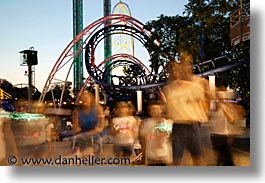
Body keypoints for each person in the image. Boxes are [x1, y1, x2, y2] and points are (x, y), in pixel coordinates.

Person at [163, 52, 211, 166]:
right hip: (178, 126)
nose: (175, 72)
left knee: (197, 158)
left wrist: (202, 115)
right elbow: (169, 110)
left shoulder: (195, 85)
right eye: (171, 70)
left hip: (193, 125)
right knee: (178, 160)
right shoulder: (168, 89)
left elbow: (206, 101)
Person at [72, 91, 105, 156]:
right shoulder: (78, 111)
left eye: (86, 98)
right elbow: (76, 128)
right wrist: (77, 129)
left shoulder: (98, 109)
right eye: (83, 98)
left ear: (91, 99)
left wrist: (92, 131)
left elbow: (101, 126)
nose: (84, 100)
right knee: (78, 140)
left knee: (93, 143)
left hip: (95, 132)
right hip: (83, 133)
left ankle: (86, 154)